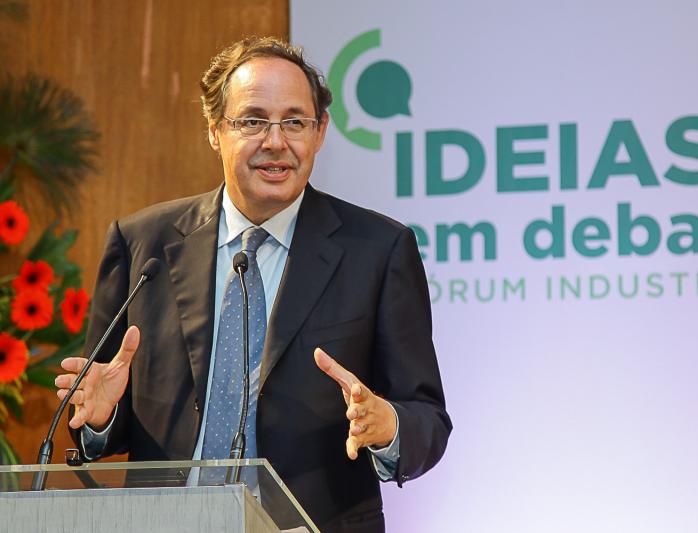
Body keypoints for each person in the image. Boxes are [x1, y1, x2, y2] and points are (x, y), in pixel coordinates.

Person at [54, 36, 451, 533]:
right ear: (214, 130)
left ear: (321, 132)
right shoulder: (142, 243)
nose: (276, 142)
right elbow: (101, 406)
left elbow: (427, 419)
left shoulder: (378, 249)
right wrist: (100, 418)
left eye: (295, 122)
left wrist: (388, 426)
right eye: (253, 121)